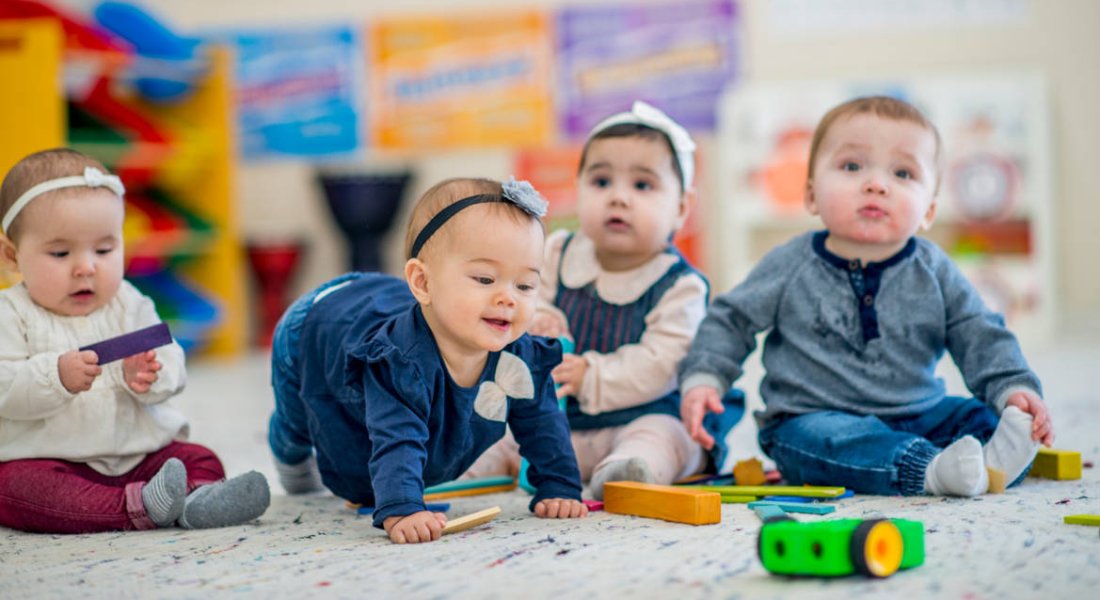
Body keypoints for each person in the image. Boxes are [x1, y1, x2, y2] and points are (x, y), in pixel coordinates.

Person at [679, 96, 1053, 497]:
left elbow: (980, 331)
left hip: (921, 413)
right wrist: (705, 377)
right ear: (810, 195)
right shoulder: (791, 263)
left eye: (903, 172)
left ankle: (990, 463)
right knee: (815, 441)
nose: (876, 183)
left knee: (985, 418)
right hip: (813, 418)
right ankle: (929, 468)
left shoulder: (934, 268)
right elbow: (730, 319)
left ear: (928, 210)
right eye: (852, 166)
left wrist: (1013, 389)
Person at [268, 177, 587, 544]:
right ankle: (287, 452)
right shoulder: (398, 359)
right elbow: (397, 437)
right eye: (485, 278)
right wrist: (403, 507)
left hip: (378, 300)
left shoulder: (520, 354)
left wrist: (560, 484)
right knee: (301, 417)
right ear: (422, 282)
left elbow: (543, 422)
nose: (508, 298)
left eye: (525, 285)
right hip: (317, 322)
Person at [465, 102, 742, 500]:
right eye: (601, 182)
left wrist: (590, 375)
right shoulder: (558, 252)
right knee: (498, 429)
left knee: (667, 437)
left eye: (642, 185)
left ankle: (629, 471)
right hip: (552, 421)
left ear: (681, 208)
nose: (619, 198)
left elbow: (661, 363)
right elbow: (520, 298)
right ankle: (456, 468)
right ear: (578, 191)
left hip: (638, 416)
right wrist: (539, 317)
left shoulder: (680, 285)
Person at [0, 148, 270, 533]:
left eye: (105, 249)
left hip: (138, 455)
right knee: (15, 490)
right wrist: (54, 376)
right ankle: (137, 506)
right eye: (60, 252)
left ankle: (196, 501)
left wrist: (150, 374)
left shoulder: (130, 302)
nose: (86, 267)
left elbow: (170, 360)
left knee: (199, 457)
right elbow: (4, 388)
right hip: (49, 460)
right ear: (11, 255)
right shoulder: (11, 313)